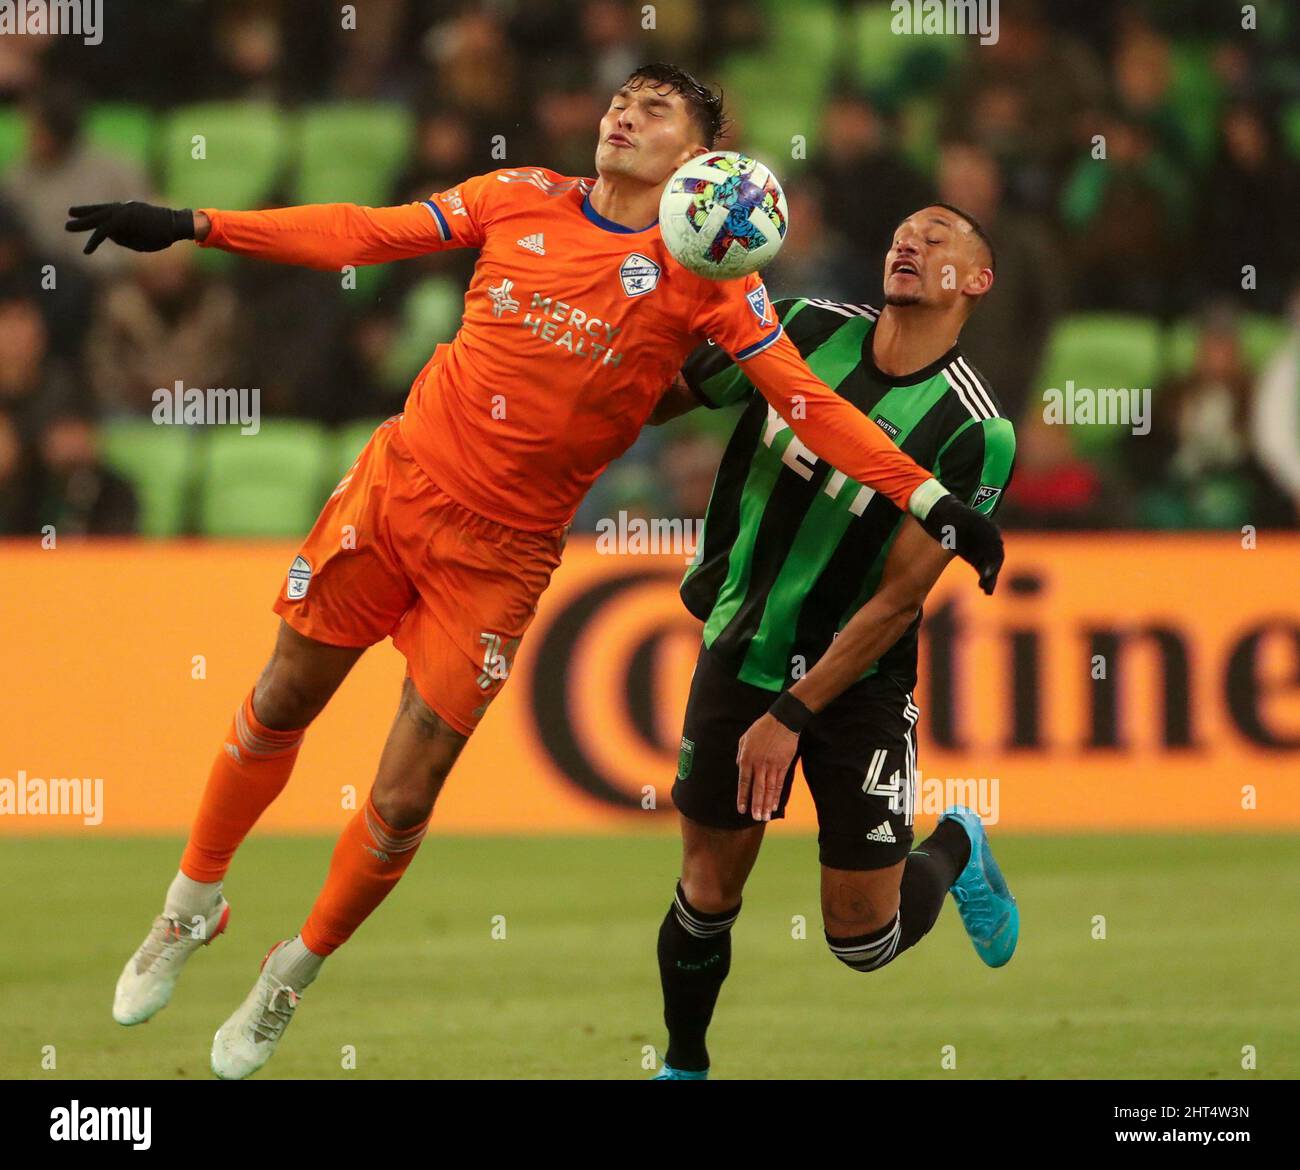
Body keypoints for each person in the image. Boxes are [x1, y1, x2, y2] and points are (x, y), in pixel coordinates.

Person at [66, 63, 1002, 1080]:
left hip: (502, 555)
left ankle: (291, 973)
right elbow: (362, 233)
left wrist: (928, 500)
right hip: (396, 490)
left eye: (653, 111)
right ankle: (188, 907)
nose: (622, 116)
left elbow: (809, 407)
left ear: (695, 159)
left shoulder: (715, 286)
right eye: (619, 101)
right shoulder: (518, 198)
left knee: (403, 799)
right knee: (278, 698)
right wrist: (200, 224)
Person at [644, 204, 1019, 1080]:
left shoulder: (974, 432)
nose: (907, 244)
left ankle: (957, 842)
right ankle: (684, 1066)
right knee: (707, 890)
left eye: (935, 238)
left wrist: (793, 713)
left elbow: (898, 600)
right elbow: (670, 397)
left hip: (857, 683)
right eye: (901, 234)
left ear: (977, 280)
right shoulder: (804, 330)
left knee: (862, 941)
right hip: (741, 645)